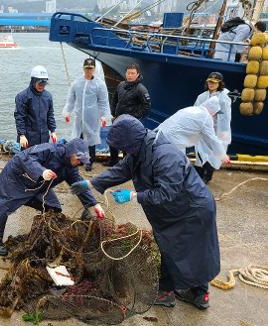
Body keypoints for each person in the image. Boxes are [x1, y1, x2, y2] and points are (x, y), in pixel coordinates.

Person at [71, 115, 220, 310]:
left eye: (123, 146)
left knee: (189, 251)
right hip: (177, 210)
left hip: (193, 209)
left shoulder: (166, 156)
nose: (122, 150)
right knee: (178, 249)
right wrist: (91, 183)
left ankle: (176, 293)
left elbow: (167, 193)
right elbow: (120, 170)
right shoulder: (140, 149)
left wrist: (133, 195)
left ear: (131, 142)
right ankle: (196, 294)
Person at [0, 138, 105, 256]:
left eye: (82, 161)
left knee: (54, 208)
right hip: (17, 179)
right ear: (71, 152)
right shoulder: (49, 150)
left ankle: (42, 232)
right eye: (79, 159)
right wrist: (42, 171)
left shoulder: (71, 168)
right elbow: (26, 158)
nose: (80, 163)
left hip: (39, 187)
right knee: (2, 206)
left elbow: (78, 185)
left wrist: (94, 204)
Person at [62, 58, 111, 172]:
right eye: (87, 68)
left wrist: (104, 116)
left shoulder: (100, 84)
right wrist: (67, 111)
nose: (88, 71)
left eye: (91, 68)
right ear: (83, 68)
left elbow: (103, 102)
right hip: (79, 117)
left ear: (94, 69)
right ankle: (79, 160)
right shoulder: (77, 83)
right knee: (78, 139)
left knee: (91, 140)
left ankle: (89, 162)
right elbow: (71, 99)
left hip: (92, 117)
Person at [157, 96, 229, 165]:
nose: (215, 115)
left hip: (157, 136)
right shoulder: (206, 117)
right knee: (175, 168)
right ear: (213, 110)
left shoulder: (192, 109)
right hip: (173, 143)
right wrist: (222, 155)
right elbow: (212, 139)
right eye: (216, 113)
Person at [106, 63, 151, 166]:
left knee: (128, 143)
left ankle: (127, 164)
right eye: (128, 73)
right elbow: (114, 99)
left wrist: (134, 117)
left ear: (137, 74)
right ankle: (113, 161)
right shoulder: (121, 85)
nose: (130, 75)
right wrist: (114, 114)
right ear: (125, 73)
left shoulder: (141, 89)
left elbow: (147, 106)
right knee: (113, 140)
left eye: (132, 73)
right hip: (118, 118)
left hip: (130, 121)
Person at [194, 72, 232, 183]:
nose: (211, 84)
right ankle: (198, 175)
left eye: (214, 82)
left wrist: (224, 130)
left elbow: (225, 115)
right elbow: (195, 111)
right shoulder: (202, 97)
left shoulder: (223, 97)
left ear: (219, 83)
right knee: (200, 151)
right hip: (203, 129)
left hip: (216, 130)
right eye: (210, 82)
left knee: (214, 153)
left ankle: (207, 175)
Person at [14, 65, 57, 149]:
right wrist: (21, 135)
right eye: (40, 84)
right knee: (27, 160)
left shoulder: (48, 96)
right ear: (33, 81)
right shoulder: (22, 97)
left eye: (44, 84)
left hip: (44, 137)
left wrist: (53, 131)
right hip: (28, 138)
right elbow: (19, 117)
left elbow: (50, 115)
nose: (42, 86)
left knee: (42, 159)